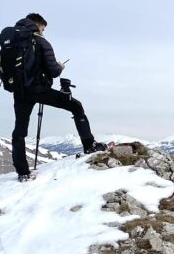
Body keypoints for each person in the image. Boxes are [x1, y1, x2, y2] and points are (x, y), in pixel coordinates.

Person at [7, 13, 106, 181]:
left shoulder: (12, 41)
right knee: (76, 106)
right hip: (40, 90)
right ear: (38, 25)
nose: (43, 31)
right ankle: (89, 144)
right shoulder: (41, 42)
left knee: (19, 130)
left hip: (20, 92)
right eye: (43, 28)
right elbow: (53, 71)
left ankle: (22, 172)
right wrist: (60, 67)